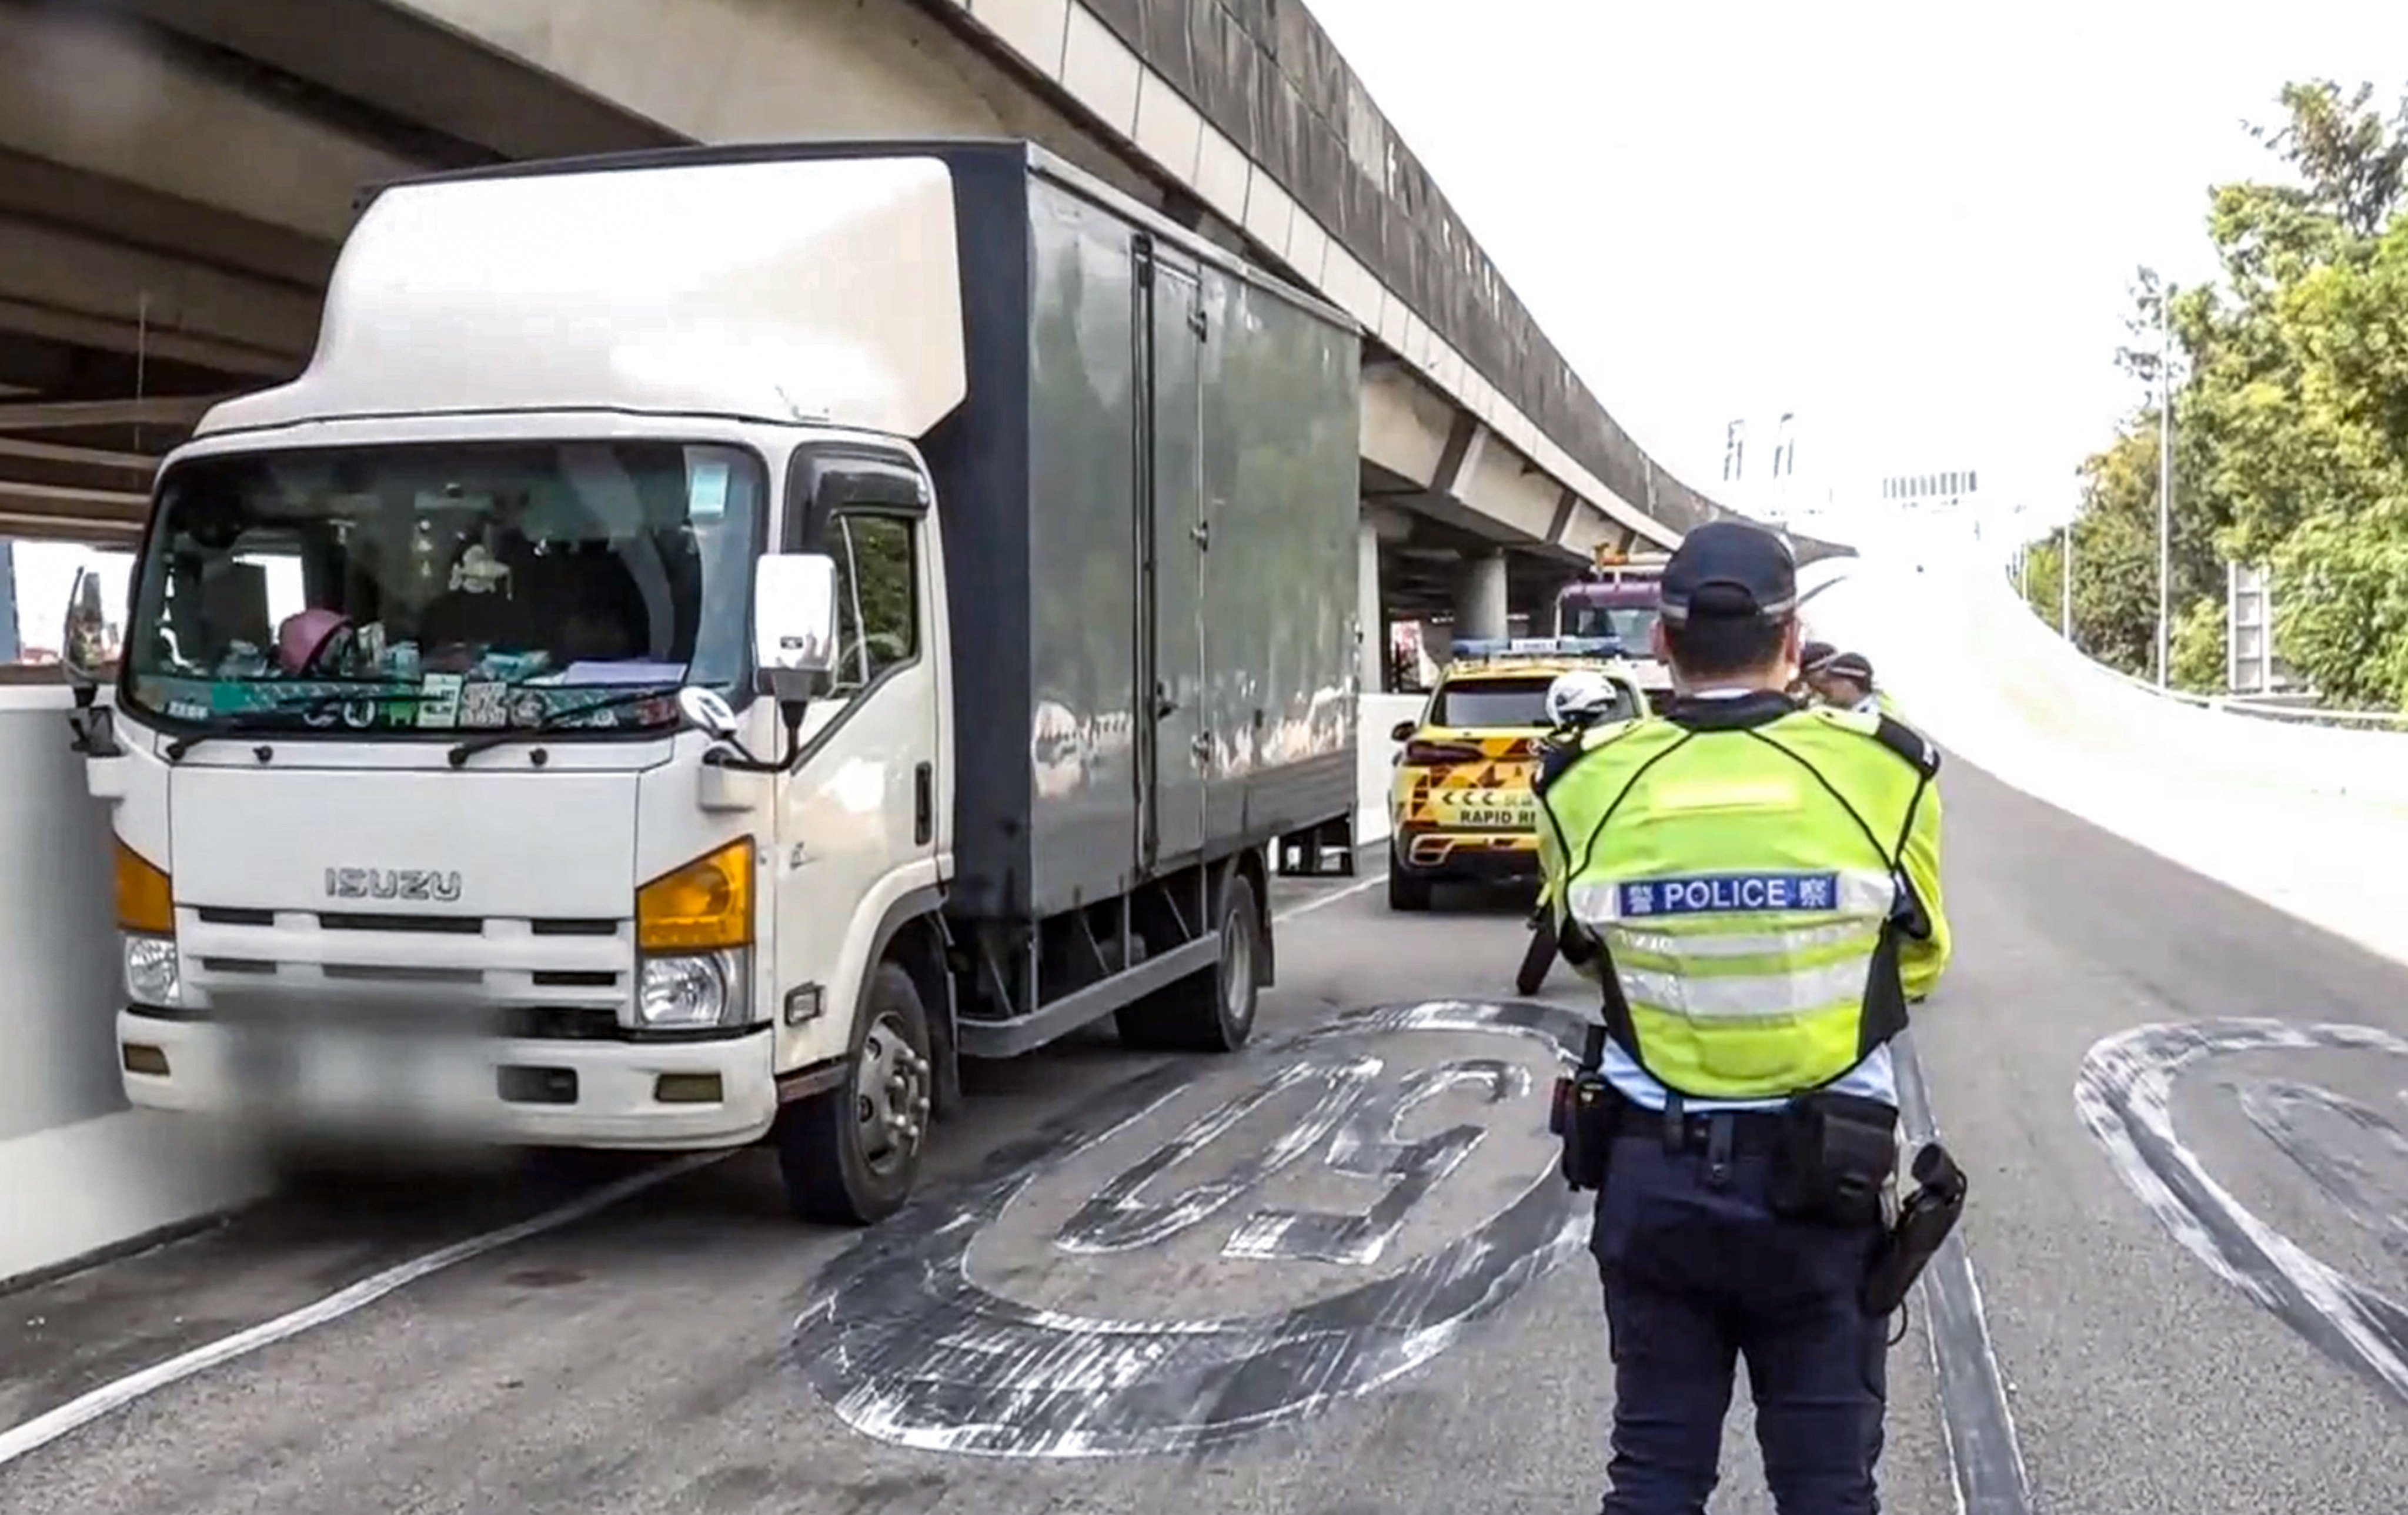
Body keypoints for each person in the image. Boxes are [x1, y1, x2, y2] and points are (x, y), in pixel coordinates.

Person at [1534, 519, 1952, 1515]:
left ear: (1662, 644)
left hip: (1654, 1181)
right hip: (1822, 1189)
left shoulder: (1583, 783)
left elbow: (1581, 946)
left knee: (1652, 1481)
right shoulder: (1886, 776)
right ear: (1793, 639)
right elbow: (1923, 963)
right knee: (1828, 1491)